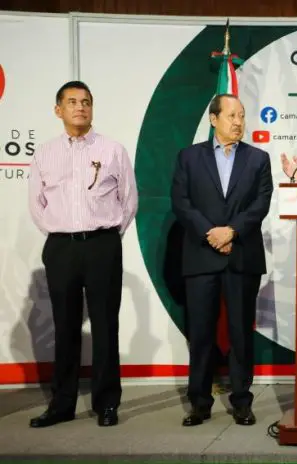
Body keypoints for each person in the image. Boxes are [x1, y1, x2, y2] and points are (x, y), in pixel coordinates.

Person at [27, 80, 138, 428]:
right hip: (61, 247)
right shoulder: (44, 153)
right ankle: (62, 405)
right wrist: (62, 232)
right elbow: (37, 203)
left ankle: (107, 404)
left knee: (106, 325)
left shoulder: (112, 149)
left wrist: (105, 235)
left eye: (86, 102)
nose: (80, 107)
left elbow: (128, 200)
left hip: (103, 245)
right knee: (65, 326)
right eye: (72, 102)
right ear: (58, 110)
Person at [171, 94, 272, 427]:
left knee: (241, 333)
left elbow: (260, 204)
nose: (238, 121)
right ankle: (199, 402)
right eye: (231, 115)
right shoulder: (189, 157)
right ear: (214, 119)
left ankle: (242, 401)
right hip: (201, 256)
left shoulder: (259, 159)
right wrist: (210, 233)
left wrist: (231, 232)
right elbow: (181, 202)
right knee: (200, 334)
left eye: (242, 115)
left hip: (242, 255)